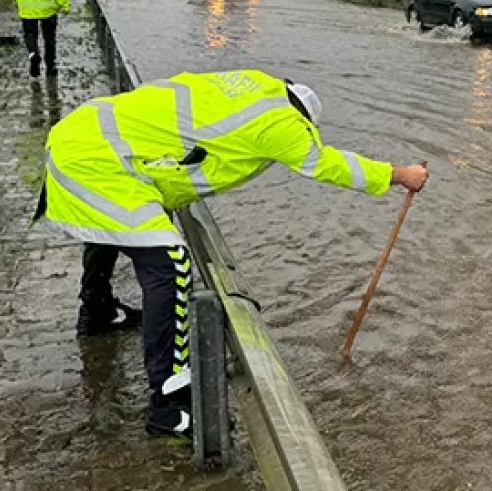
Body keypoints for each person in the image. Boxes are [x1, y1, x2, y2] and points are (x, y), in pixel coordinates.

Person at [34, 69, 429, 437]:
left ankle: (98, 311)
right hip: (97, 163)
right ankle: (168, 406)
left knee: (116, 224)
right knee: (173, 261)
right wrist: (399, 175)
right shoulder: (282, 124)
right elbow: (326, 164)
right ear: (304, 119)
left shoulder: (252, 85)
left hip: (84, 137)